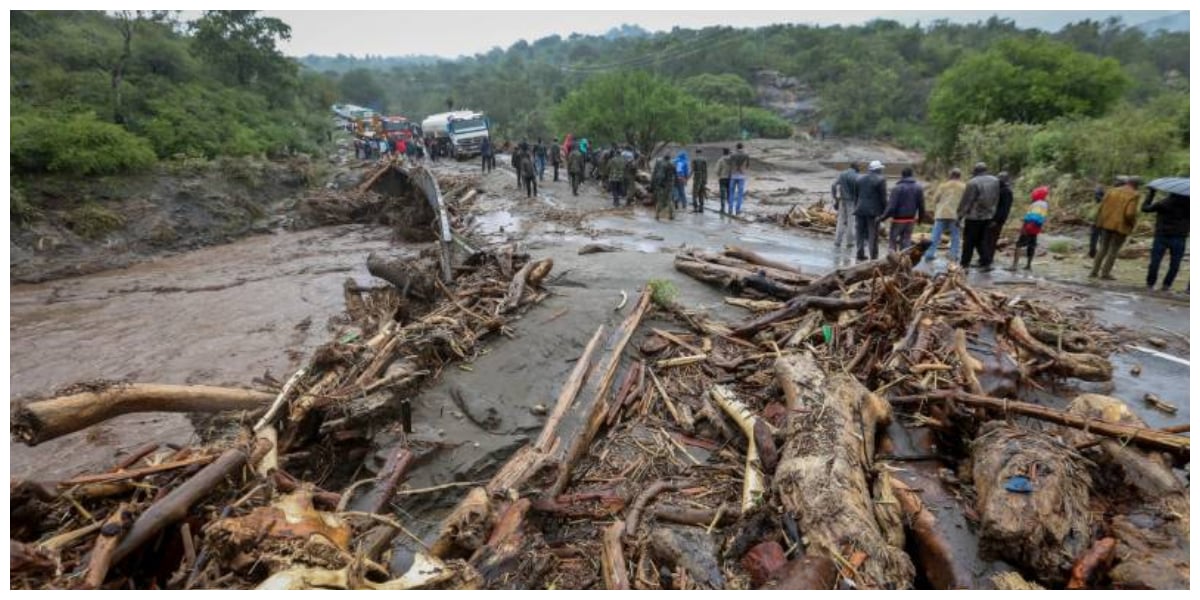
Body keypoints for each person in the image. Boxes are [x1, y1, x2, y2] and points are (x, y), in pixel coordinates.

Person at [1090, 177, 1140, 280]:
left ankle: (1094, 271)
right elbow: (1130, 213)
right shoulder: (1134, 195)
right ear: (1136, 185)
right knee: (1113, 250)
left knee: (1103, 247)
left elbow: (1102, 206)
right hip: (1121, 226)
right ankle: (1105, 273)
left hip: (1106, 223)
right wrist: (1133, 223)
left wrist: (1100, 221)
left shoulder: (1111, 190)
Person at [1140, 185, 1188, 291]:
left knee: (1155, 260)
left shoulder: (1164, 203)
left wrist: (1151, 194)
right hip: (1179, 237)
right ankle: (1166, 285)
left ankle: (1150, 283)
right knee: (1175, 263)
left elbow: (1145, 208)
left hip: (1161, 235)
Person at [957, 162, 1001, 271]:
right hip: (988, 216)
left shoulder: (973, 182)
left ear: (975, 171)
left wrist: (959, 216)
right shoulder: (995, 180)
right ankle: (986, 262)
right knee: (982, 240)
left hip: (974, 217)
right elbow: (997, 197)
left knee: (969, 241)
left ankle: (964, 264)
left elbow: (967, 201)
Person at [924, 168, 966, 263]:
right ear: (960, 176)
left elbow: (935, 199)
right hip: (955, 215)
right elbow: (966, 201)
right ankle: (953, 255)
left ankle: (930, 254)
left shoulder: (943, 186)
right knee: (955, 236)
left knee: (935, 236)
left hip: (941, 214)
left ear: (950, 175)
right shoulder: (964, 187)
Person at [880, 167, 925, 252]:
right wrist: (920, 219)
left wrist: (882, 218)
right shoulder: (919, 188)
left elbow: (891, 207)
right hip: (911, 220)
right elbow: (922, 206)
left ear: (902, 175)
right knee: (906, 241)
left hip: (898, 220)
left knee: (892, 240)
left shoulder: (897, 188)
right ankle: (904, 261)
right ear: (912, 175)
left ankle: (892, 262)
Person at [853, 161, 888, 261]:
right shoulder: (881, 180)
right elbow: (883, 198)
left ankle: (860, 253)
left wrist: (857, 207)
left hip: (859, 210)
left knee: (859, 233)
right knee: (872, 234)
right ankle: (873, 257)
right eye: (881, 169)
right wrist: (885, 212)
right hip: (873, 212)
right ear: (878, 169)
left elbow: (856, 196)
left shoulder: (859, 178)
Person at [1010, 186, 1050, 271]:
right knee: (1031, 245)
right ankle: (1028, 265)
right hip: (1037, 227)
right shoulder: (1045, 204)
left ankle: (1014, 266)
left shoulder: (1036, 204)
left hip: (1029, 226)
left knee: (1019, 245)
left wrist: (1024, 227)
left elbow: (1032, 217)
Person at [983, 172, 1014, 267]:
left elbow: (1003, 209)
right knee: (987, 240)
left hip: (996, 221)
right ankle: (985, 259)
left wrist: (996, 221)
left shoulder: (1006, 192)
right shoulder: (1001, 190)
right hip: (993, 219)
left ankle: (987, 261)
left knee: (991, 241)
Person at [832, 162, 860, 250]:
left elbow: (833, 185)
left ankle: (837, 241)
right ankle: (849, 243)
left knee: (840, 221)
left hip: (842, 200)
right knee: (851, 223)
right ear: (856, 168)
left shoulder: (842, 174)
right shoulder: (856, 176)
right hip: (851, 201)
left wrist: (835, 197)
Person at [1088, 179, 1116, 258]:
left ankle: (1094, 251)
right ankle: (1096, 251)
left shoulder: (1106, 190)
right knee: (1100, 235)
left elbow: (1097, 198)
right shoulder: (1111, 191)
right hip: (1104, 216)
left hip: (1100, 215)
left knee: (1096, 234)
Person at [652, 152, 676, 221]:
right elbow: (675, 175)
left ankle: (657, 215)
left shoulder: (663, 165)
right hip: (670, 185)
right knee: (669, 200)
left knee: (660, 200)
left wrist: (658, 184)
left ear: (664, 158)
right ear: (669, 158)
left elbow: (661, 176)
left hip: (663, 185)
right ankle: (671, 216)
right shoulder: (673, 165)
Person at [728, 142, 750, 216]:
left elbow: (730, 164)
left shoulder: (732, 155)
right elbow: (747, 165)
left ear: (736, 147)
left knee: (731, 193)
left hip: (733, 175)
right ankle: (738, 209)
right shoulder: (746, 155)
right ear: (742, 147)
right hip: (742, 176)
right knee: (740, 194)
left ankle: (730, 208)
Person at [691, 148, 708, 213]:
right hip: (703, 177)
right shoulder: (704, 160)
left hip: (697, 177)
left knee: (694, 193)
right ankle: (701, 208)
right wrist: (706, 179)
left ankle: (695, 207)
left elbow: (692, 169)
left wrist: (687, 178)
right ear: (701, 152)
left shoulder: (694, 159)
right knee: (701, 192)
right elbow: (706, 170)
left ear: (696, 153)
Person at [716, 148, 732, 215]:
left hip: (722, 178)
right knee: (729, 193)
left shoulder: (721, 160)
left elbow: (717, 170)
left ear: (723, 152)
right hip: (730, 178)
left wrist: (719, 175)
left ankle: (722, 208)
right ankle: (730, 208)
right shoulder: (732, 160)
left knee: (722, 194)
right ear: (728, 152)